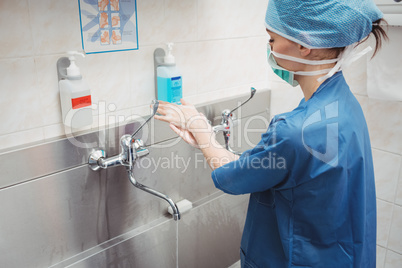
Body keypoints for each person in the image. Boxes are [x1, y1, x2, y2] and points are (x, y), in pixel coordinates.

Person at [154, 0, 388, 267]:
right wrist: (207, 140)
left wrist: (200, 129)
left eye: (272, 38)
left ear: (304, 44)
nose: (270, 48)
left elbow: (233, 178)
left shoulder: (296, 130)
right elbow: (281, 166)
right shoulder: (343, 104)